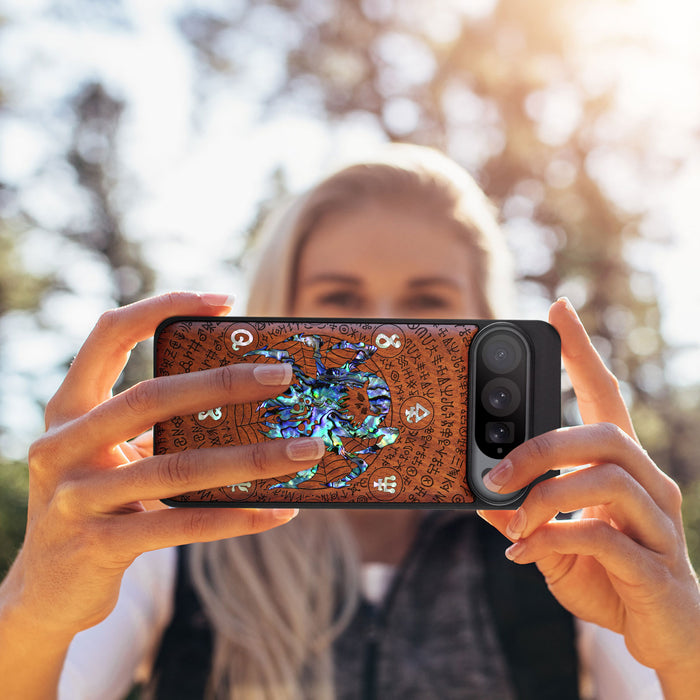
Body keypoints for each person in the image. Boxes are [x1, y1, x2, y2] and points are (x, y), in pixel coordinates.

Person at [0, 145, 698, 700]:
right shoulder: (171, 535)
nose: (385, 328)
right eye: (340, 299)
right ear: (278, 314)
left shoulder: (567, 544)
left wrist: (685, 648)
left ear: (486, 324)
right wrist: (34, 607)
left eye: (427, 302)